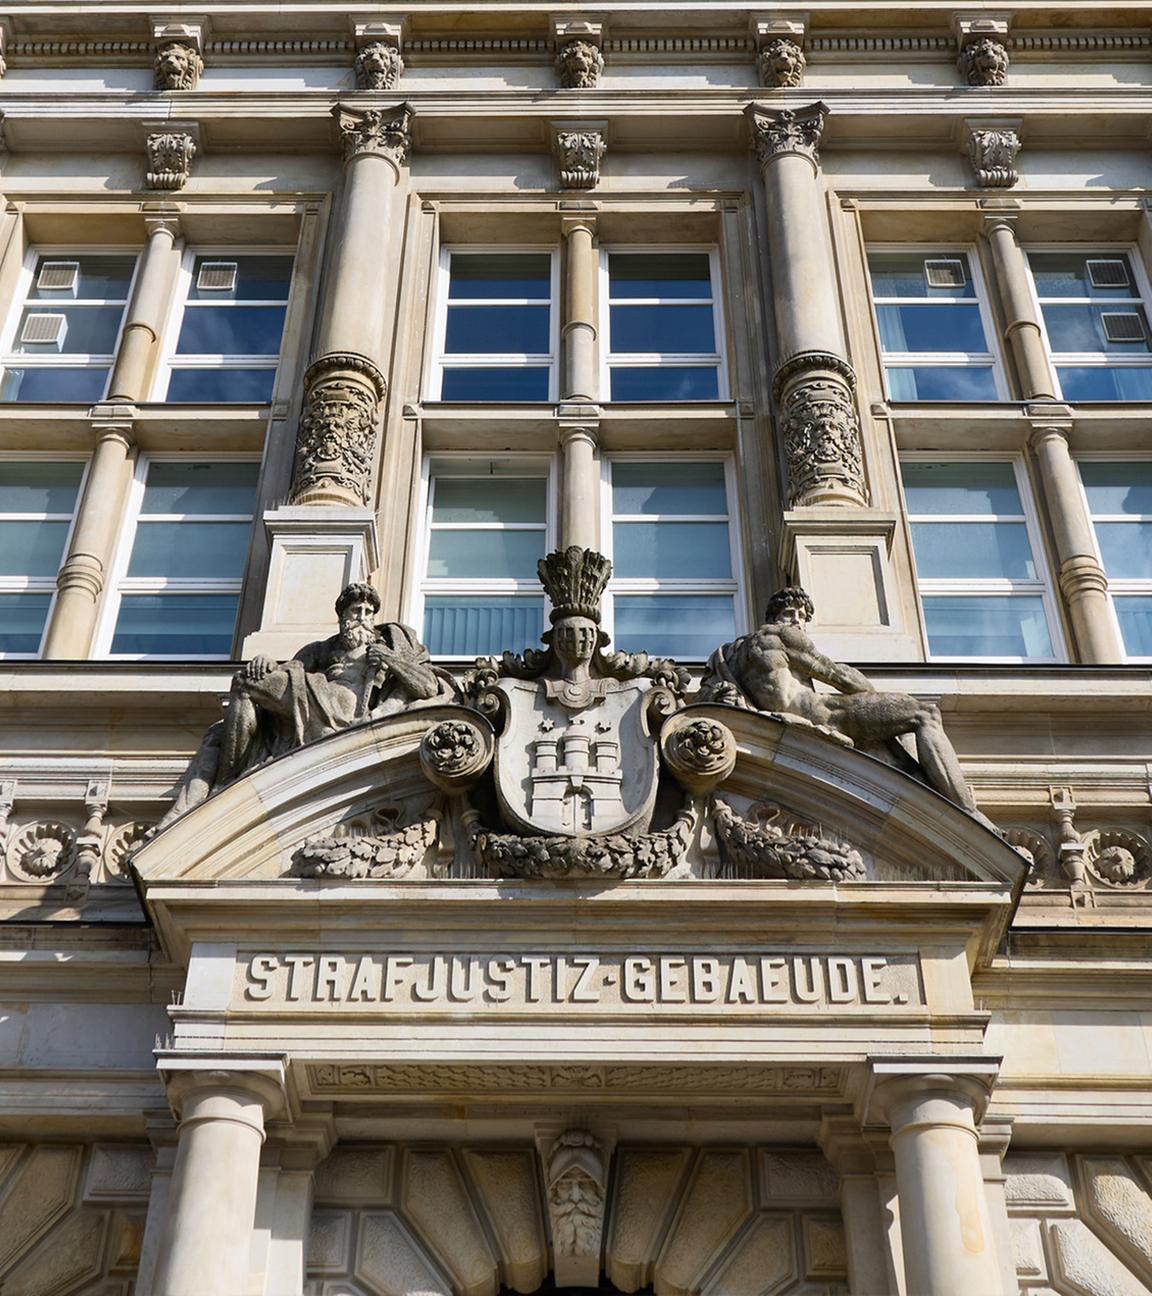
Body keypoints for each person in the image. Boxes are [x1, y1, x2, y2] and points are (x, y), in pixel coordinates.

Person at [153, 583, 455, 832]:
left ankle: (220, 788)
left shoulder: (390, 646)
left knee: (252, 688)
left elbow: (427, 686)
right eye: (355, 611)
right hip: (313, 694)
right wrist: (266, 662)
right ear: (343, 617)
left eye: (367, 612)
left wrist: (389, 661)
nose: (362, 617)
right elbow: (290, 668)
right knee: (245, 683)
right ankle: (224, 783)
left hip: (347, 708)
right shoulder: (323, 649)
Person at [700, 586, 997, 831]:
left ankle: (920, 784)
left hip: (791, 720)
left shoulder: (730, 653)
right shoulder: (782, 636)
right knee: (923, 714)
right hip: (828, 715)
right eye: (795, 615)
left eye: (800, 618)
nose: (797, 622)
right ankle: (968, 814)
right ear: (780, 617)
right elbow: (838, 676)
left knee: (903, 760)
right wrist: (876, 701)